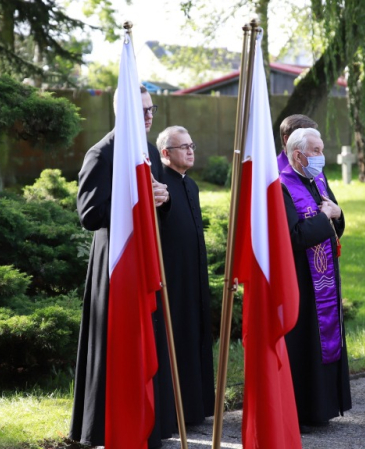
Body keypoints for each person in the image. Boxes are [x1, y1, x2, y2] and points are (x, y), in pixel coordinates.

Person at [70, 86, 176, 448]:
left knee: (146, 338)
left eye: (151, 108)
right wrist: (137, 200)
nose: (148, 115)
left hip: (144, 260)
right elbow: (88, 214)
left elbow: (156, 203)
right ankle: (103, 429)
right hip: (113, 262)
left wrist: (162, 199)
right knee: (113, 343)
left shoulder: (148, 152)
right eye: (141, 109)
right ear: (122, 112)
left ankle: (148, 423)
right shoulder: (101, 153)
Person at [279, 127, 351, 432]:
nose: (322, 157)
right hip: (301, 281)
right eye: (317, 151)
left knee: (326, 340)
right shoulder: (282, 186)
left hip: (326, 278)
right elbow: (293, 237)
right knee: (306, 342)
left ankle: (325, 407)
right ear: (298, 155)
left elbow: (335, 220)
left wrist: (337, 213)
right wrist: (326, 218)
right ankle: (305, 410)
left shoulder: (318, 179)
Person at [156, 126, 215, 425]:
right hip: (173, 278)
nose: (190, 151)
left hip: (195, 276)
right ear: (165, 153)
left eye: (192, 145)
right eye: (183, 147)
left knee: (196, 336)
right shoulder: (158, 184)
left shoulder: (190, 185)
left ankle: (197, 407)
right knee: (177, 338)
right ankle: (177, 409)